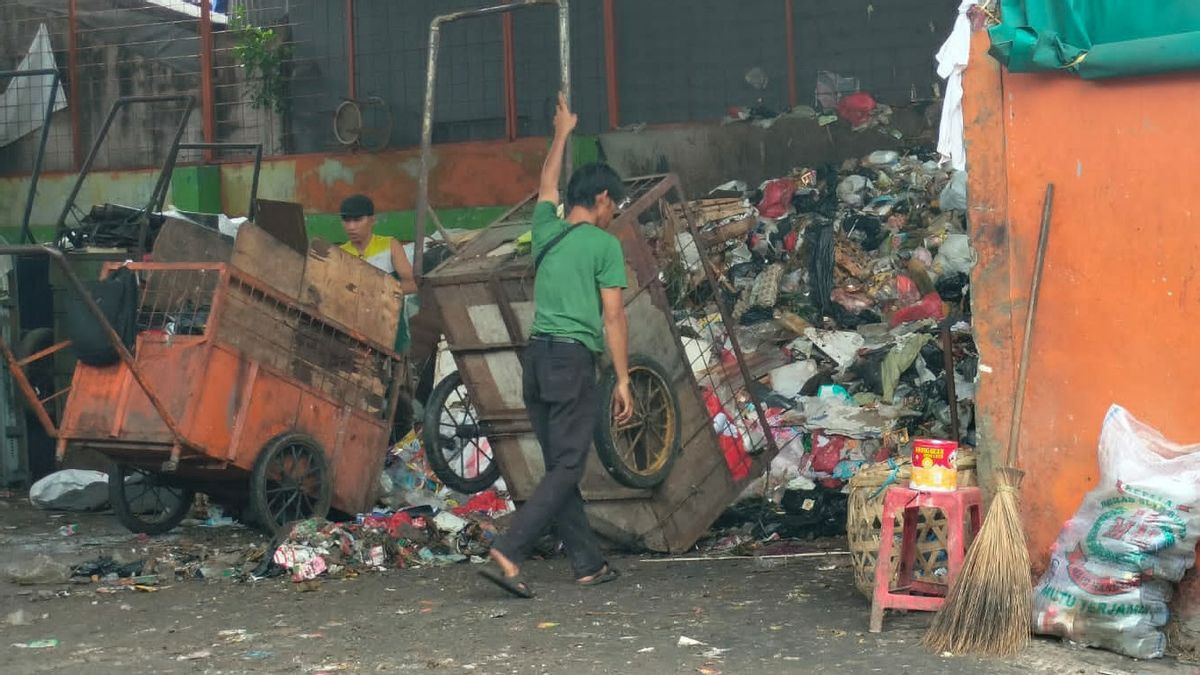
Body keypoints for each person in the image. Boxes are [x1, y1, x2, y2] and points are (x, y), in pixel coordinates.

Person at [480, 93, 633, 598]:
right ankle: (510, 548)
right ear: (605, 200)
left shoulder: (545, 230)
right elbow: (613, 317)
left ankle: (588, 563)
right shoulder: (605, 246)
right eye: (616, 205)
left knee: (560, 468)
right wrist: (625, 378)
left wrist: (562, 131)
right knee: (569, 466)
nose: (614, 214)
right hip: (571, 360)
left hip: (537, 360)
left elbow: (545, 183)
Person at [338, 194, 418, 352]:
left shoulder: (390, 245)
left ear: (372, 220)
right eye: (347, 220)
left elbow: (412, 284)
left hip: (391, 329)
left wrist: (377, 292)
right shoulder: (340, 253)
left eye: (357, 220)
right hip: (354, 333)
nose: (351, 227)